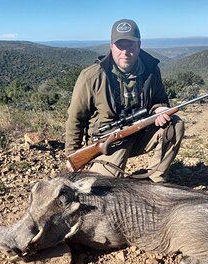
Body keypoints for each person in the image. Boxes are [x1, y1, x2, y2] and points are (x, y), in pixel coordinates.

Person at [65, 19, 184, 183]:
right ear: (111, 46)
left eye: (131, 46)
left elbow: (160, 100)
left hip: (140, 133)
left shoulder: (151, 70)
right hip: (109, 142)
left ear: (139, 45)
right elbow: (76, 118)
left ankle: (156, 180)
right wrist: (73, 156)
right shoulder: (91, 76)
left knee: (175, 124)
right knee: (105, 188)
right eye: (120, 46)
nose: (125, 52)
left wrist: (159, 109)